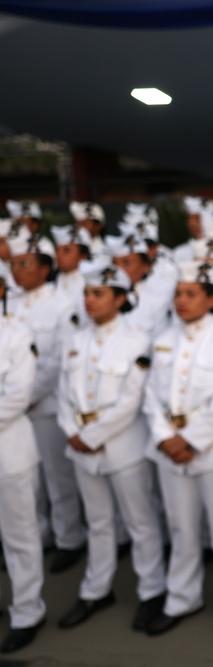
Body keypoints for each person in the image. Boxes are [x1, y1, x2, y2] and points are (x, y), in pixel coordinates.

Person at [141, 261, 213, 639]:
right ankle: (181, 597)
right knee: (181, 529)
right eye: (178, 293)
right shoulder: (163, 340)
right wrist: (164, 437)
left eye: (190, 294)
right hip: (169, 451)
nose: (181, 301)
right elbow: (151, 395)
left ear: (210, 298)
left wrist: (190, 440)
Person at [55, 261, 167, 632]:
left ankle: (152, 591)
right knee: (98, 522)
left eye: (98, 294)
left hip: (122, 447)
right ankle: (96, 589)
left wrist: (89, 436)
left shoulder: (137, 340)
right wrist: (72, 429)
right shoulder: (75, 342)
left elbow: (130, 401)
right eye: (87, 293)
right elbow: (63, 394)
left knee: (140, 522)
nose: (89, 300)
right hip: (82, 448)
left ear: (120, 299)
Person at [7, 232, 86, 573]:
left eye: (24, 264)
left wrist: (25, 396)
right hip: (11, 412)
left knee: (57, 477)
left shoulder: (61, 305)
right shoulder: (8, 304)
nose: (16, 271)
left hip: (45, 405)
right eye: (12, 264)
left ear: (44, 267)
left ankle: (69, 537)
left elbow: (57, 362)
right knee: (27, 483)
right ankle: (39, 535)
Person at [0, 279, 47, 654]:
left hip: (9, 451)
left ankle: (27, 611)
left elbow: (16, 397)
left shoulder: (16, 335)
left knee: (20, 537)